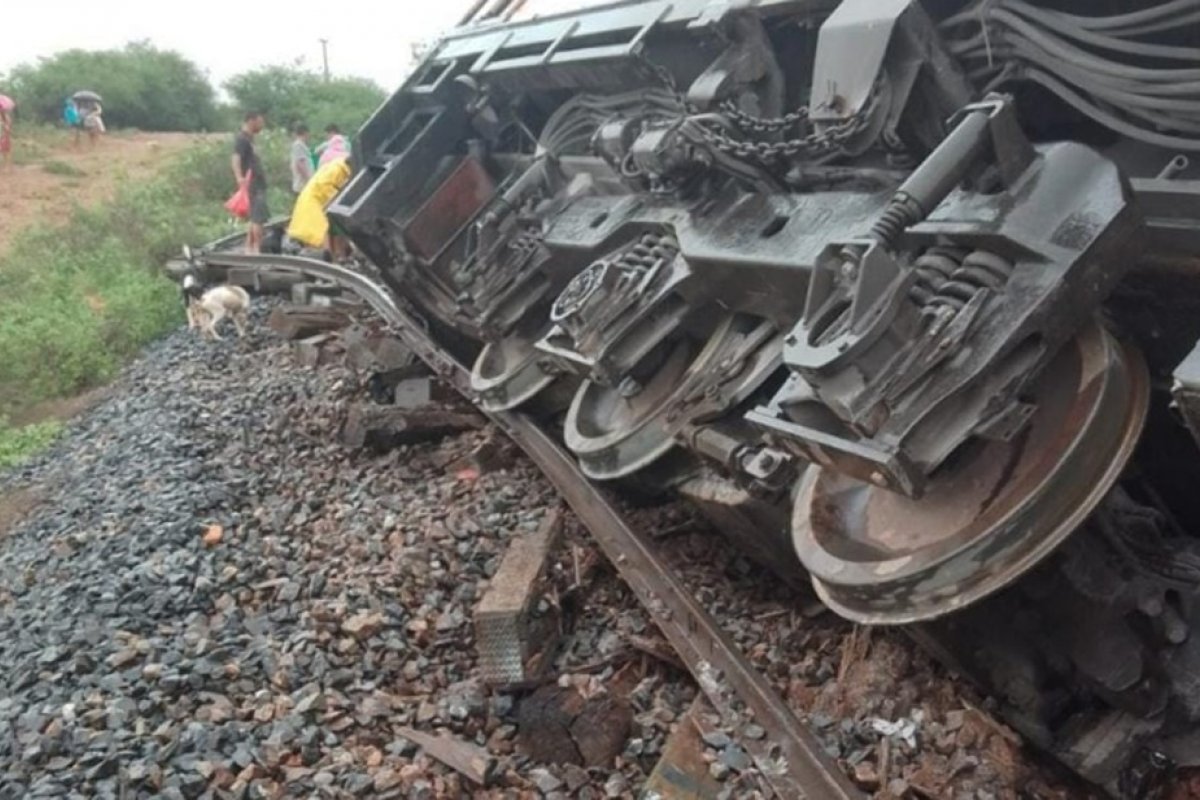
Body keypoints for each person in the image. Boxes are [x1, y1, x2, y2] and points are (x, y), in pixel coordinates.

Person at [285, 156, 353, 262]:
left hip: (317, 198)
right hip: (315, 199)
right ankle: (328, 257)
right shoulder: (337, 169)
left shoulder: (338, 166)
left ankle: (337, 256)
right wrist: (336, 198)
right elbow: (325, 184)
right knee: (321, 229)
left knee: (330, 227)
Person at [231, 111, 268, 254]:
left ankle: (249, 247)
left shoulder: (250, 139)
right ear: (251, 121)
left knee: (254, 218)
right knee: (258, 218)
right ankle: (257, 249)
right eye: (260, 122)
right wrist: (239, 178)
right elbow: (235, 158)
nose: (262, 125)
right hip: (252, 183)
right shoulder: (242, 139)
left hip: (257, 182)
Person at [290, 123, 315, 195]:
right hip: (302, 185)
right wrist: (308, 179)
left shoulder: (301, 145)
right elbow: (300, 164)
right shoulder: (298, 145)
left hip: (304, 184)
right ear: (305, 133)